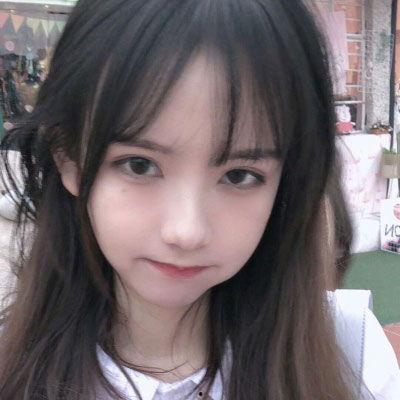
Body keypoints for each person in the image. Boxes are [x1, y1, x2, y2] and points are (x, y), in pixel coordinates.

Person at [0, 0, 399, 399]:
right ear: (69, 158)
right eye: (139, 165)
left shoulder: (353, 357)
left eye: (239, 175)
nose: (186, 232)